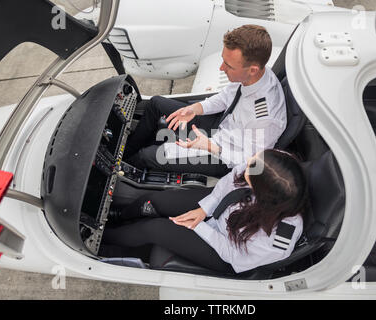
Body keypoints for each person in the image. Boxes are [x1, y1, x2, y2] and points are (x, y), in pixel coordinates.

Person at [102, 149, 308, 274]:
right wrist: (204, 208)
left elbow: (235, 256)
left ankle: (101, 237)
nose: (246, 167)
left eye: (250, 174)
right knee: (155, 201)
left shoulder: (278, 239)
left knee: (154, 228)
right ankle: (120, 216)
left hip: (225, 249)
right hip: (223, 206)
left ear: (262, 194)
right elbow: (231, 179)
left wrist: (199, 227)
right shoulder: (274, 163)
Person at [123, 24, 287, 177]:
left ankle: (123, 169)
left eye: (228, 65)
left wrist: (210, 146)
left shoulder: (265, 117)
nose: (221, 68)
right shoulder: (253, 76)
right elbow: (224, 98)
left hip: (224, 155)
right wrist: (195, 108)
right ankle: (125, 152)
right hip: (222, 126)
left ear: (252, 70)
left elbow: (252, 163)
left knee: (147, 155)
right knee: (156, 103)